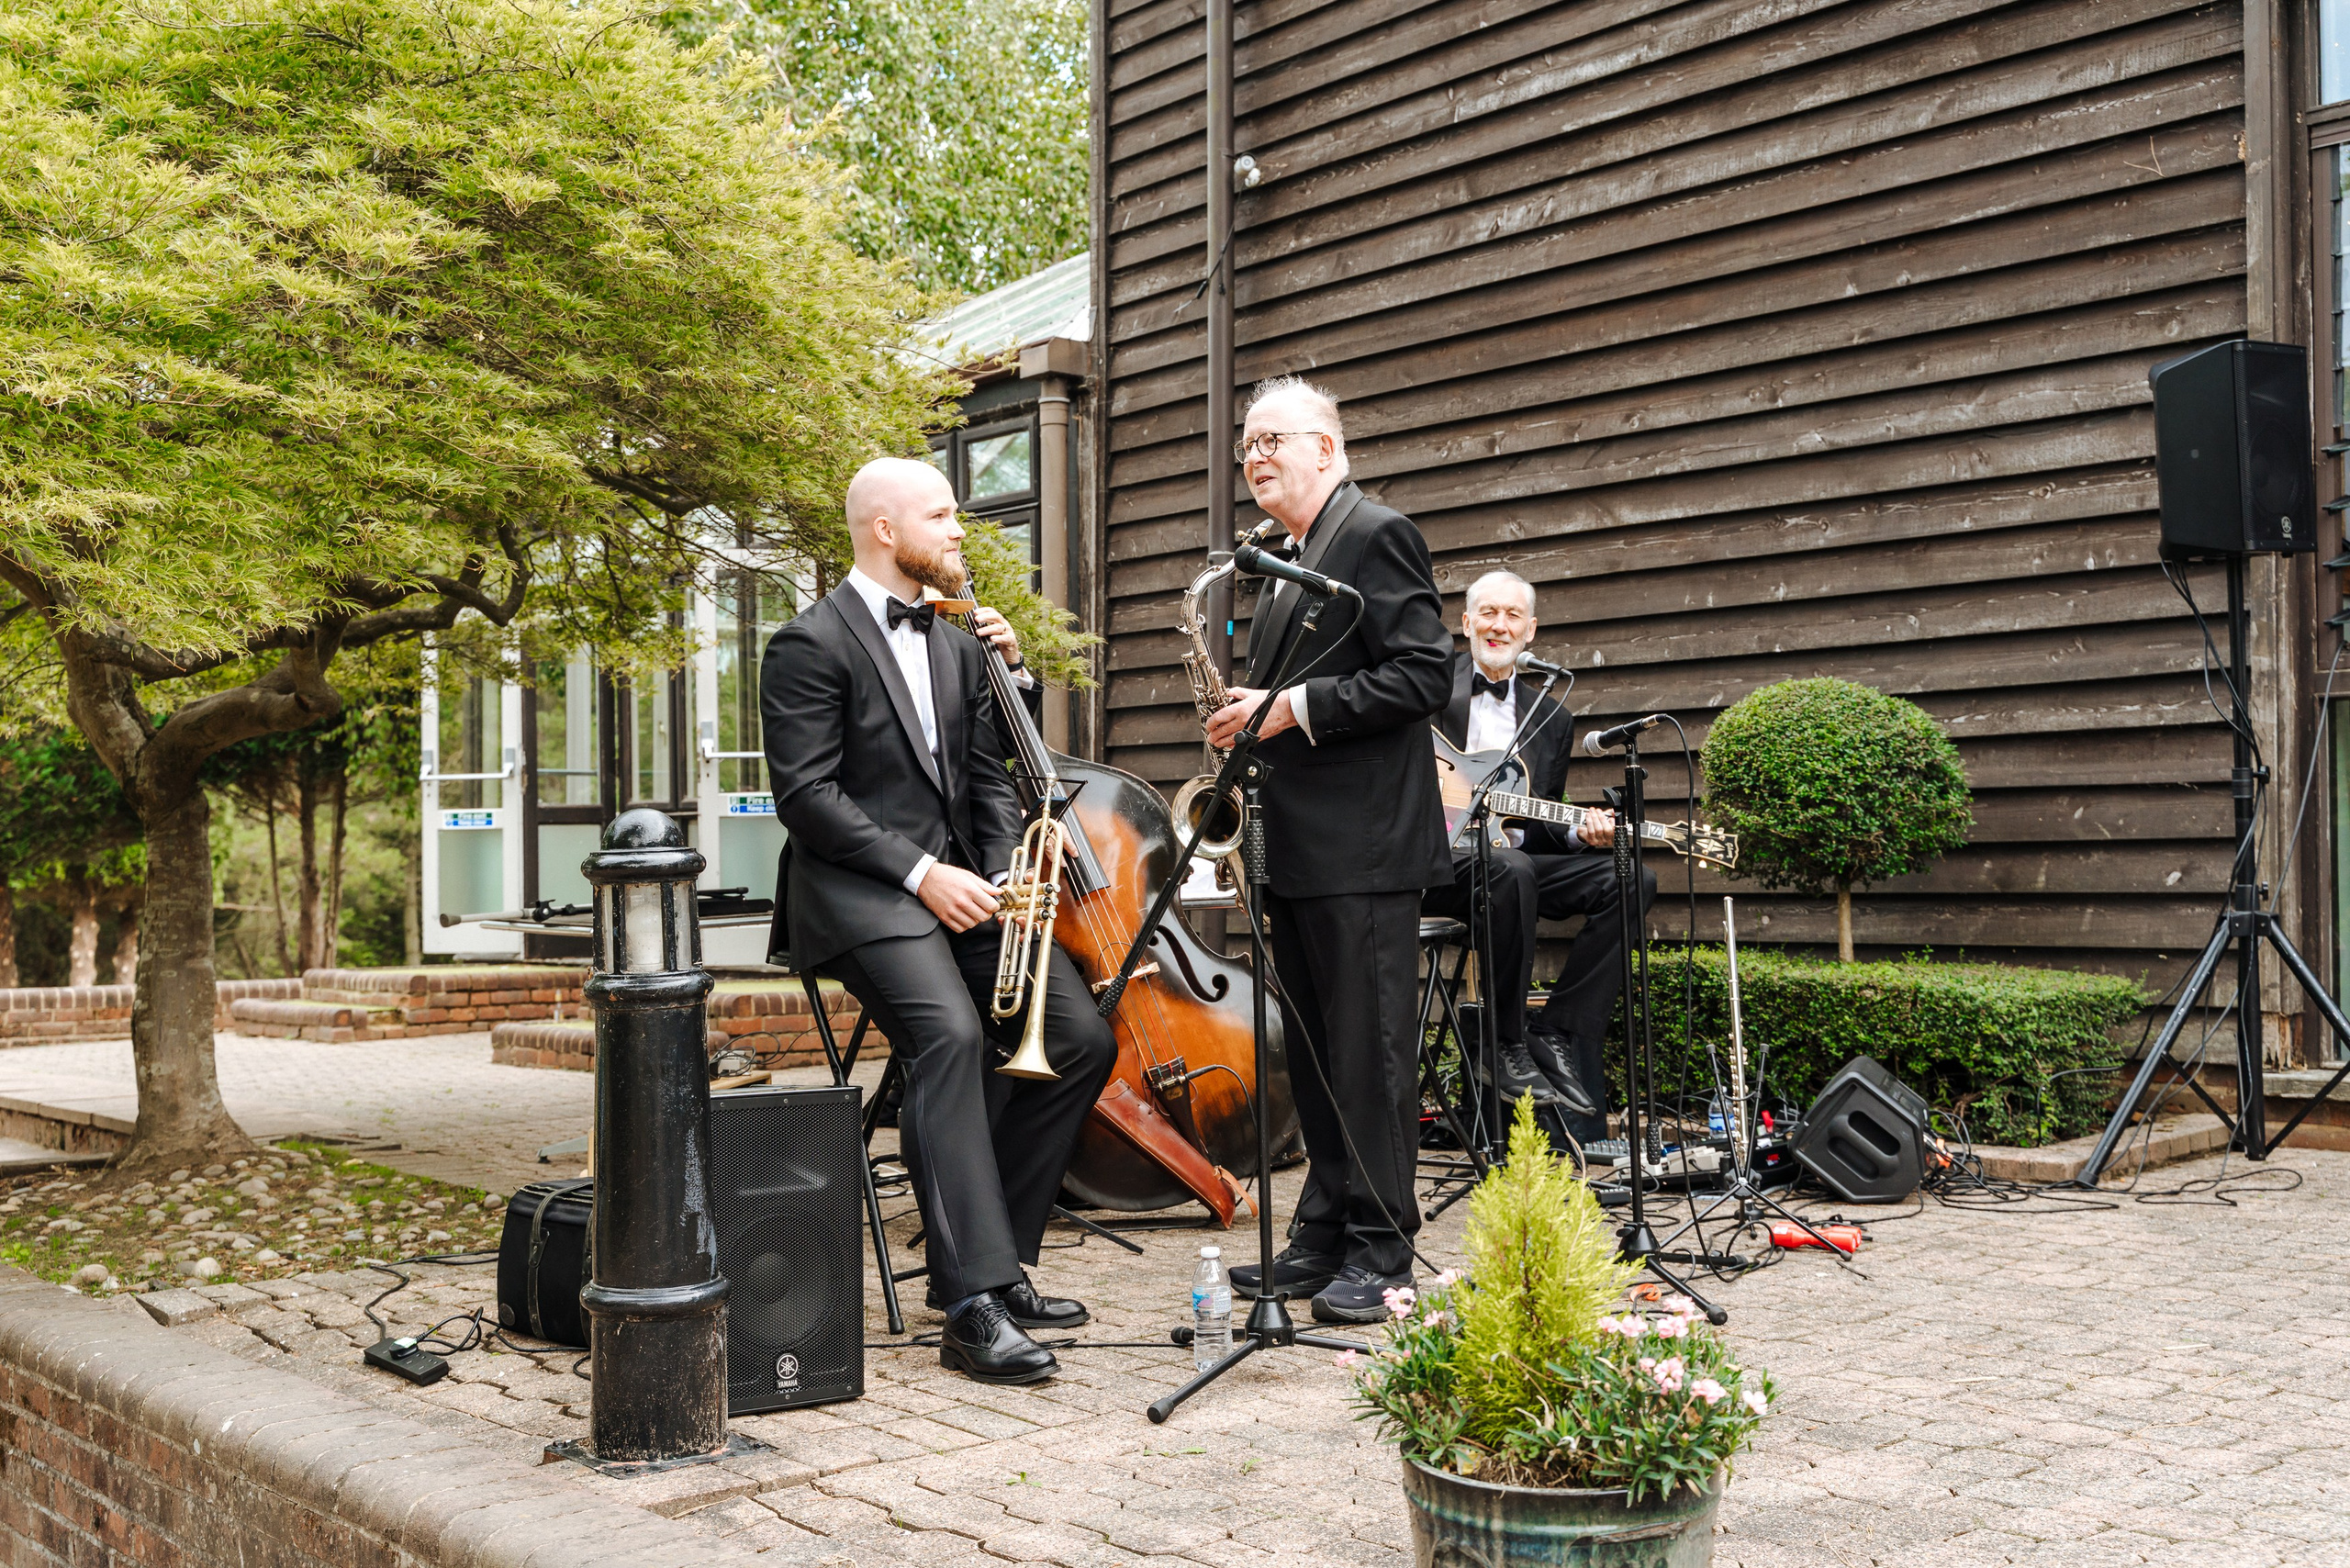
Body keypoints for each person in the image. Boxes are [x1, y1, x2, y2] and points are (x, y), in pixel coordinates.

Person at [760, 457, 1114, 1386]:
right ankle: (969, 1306)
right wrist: (923, 876)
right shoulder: (807, 643)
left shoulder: (960, 647)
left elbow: (989, 778)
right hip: (862, 891)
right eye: (943, 515)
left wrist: (999, 871)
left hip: (962, 884)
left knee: (1080, 1039)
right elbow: (808, 798)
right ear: (885, 529)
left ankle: (1001, 1257)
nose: (960, 531)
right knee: (949, 1037)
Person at [1203, 375, 1453, 1324]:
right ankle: (1322, 1230)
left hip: (1365, 850)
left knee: (1368, 1055)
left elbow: (1423, 675)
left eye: (1273, 439)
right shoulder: (1284, 558)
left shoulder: (1375, 532)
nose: (1256, 457)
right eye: (1247, 444)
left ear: (1326, 447)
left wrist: (1288, 708)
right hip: (1296, 849)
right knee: (1313, 1056)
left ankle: (1384, 1245)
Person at [1426, 569, 1655, 1148]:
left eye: (1512, 616)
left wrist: (1580, 834)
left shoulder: (1552, 718)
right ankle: (1504, 1043)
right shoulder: (1426, 685)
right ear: (1466, 622)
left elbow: (1535, 826)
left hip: (1509, 866)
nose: (1499, 626)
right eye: (1488, 612)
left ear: (1530, 631)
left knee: (1631, 876)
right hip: (1432, 863)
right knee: (1512, 869)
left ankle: (1557, 1030)